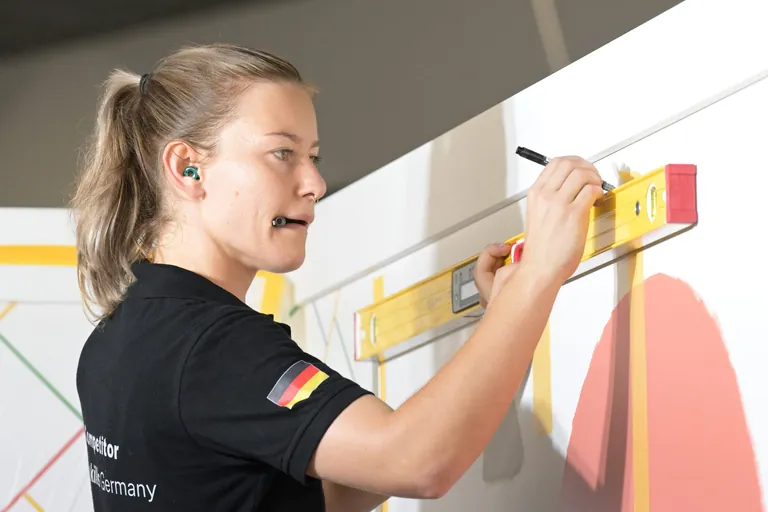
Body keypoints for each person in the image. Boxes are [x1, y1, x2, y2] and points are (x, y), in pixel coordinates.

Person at [70, 42, 606, 511]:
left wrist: (501, 328)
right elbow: (418, 462)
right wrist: (539, 272)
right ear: (188, 169)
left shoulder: (116, 341)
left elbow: (313, 496)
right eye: (282, 153)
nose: (315, 183)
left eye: (313, 156)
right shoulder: (211, 346)